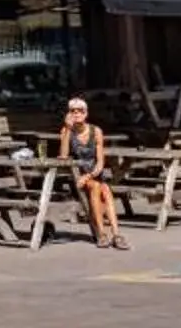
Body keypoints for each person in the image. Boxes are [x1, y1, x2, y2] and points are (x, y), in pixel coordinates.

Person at [60, 96, 123, 250]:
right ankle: (101, 233)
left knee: (105, 190)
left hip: (94, 173)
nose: (77, 113)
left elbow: (100, 162)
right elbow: (63, 156)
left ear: (86, 113)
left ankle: (116, 234)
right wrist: (67, 129)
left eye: (80, 110)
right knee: (96, 187)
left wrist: (89, 175)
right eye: (73, 111)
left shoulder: (96, 131)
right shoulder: (66, 131)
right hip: (77, 173)